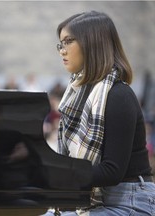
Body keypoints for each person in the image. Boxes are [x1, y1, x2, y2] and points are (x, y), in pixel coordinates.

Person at [42, 11, 155, 215]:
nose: (62, 50)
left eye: (68, 41)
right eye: (60, 43)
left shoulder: (119, 95)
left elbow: (111, 171)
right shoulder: (79, 96)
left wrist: (52, 173)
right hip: (96, 199)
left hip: (131, 202)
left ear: (91, 43)